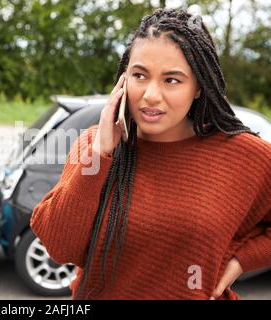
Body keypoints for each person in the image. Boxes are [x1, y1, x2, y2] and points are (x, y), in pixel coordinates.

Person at [29, 8, 270, 300]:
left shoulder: (245, 156)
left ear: (198, 87)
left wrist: (239, 261)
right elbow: (59, 246)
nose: (151, 95)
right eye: (140, 75)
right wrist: (101, 153)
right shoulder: (92, 146)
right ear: (123, 80)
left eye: (172, 80)